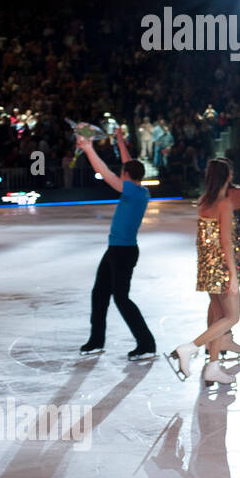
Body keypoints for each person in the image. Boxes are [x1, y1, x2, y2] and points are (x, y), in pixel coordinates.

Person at [76, 128, 157, 361]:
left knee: (121, 298)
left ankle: (146, 344)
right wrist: (120, 141)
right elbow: (128, 164)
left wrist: (89, 149)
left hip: (123, 252)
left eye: (122, 172)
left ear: (125, 175)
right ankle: (96, 341)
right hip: (116, 250)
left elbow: (104, 172)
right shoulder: (140, 190)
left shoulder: (131, 192)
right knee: (99, 294)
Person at [165, 158, 240, 385]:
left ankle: (213, 367)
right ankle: (189, 348)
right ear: (228, 176)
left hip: (207, 265)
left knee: (218, 316)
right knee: (232, 317)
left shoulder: (203, 201)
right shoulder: (224, 204)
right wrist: (233, 275)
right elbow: (226, 241)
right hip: (221, 266)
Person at [209, 175, 240, 359]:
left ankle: (213, 342)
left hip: (213, 253)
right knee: (229, 307)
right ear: (229, 174)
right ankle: (220, 340)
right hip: (235, 250)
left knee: (217, 302)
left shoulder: (209, 198)